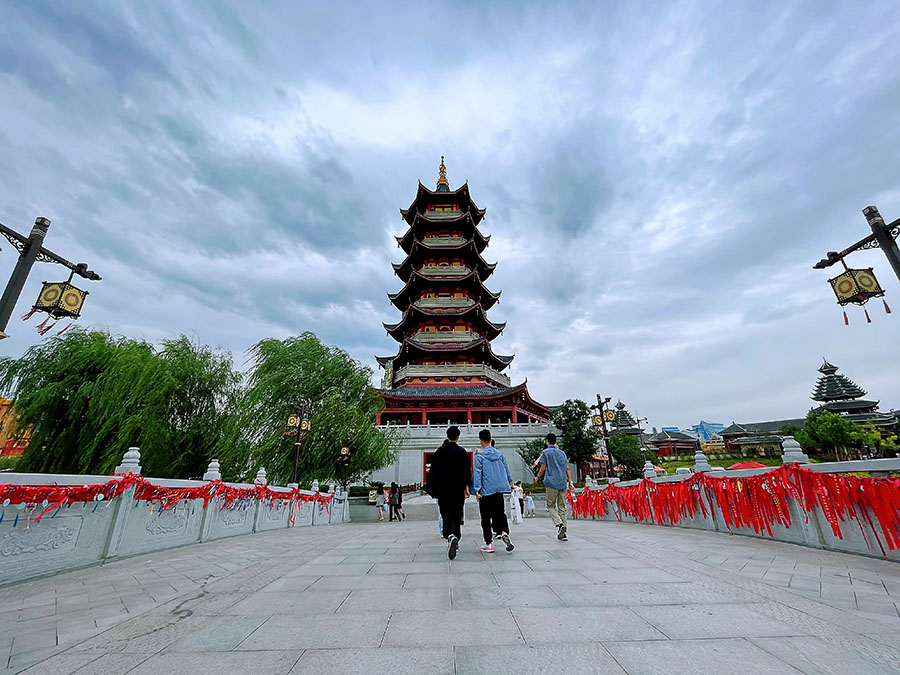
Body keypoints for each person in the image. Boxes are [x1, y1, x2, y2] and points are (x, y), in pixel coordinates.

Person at [422, 426, 471, 559]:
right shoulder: (462, 452)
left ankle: (450, 535)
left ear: (447, 436)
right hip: (458, 489)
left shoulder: (440, 451)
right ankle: (456, 538)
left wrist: (430, 485)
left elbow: (433, 471)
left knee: (446, 513)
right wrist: (467, 486)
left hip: (444, 489)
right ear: (458, 437)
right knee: (457, 514)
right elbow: (467, 471)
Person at [472, 429, 514, 553]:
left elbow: (478, 473)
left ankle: (489, 544)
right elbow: (506, 469)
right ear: (491, 439)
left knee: (485, 517)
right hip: (499, 488)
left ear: (481, 441)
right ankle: (503, 531)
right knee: (500, 513)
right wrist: (510, 482)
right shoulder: (500, 454)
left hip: (486, 489)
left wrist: (477, 489)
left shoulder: (479, 456)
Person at [535, 432, 574, 541]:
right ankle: (564, 533)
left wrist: (537, 477)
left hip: (551, 482)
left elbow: (543, 466)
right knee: (562, 508)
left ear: (547, 442)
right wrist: (570, 481)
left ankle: (559, 524)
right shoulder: (562, 453)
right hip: (562, 482)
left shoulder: (545, 452)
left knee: (550, 506)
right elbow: (567, 468)